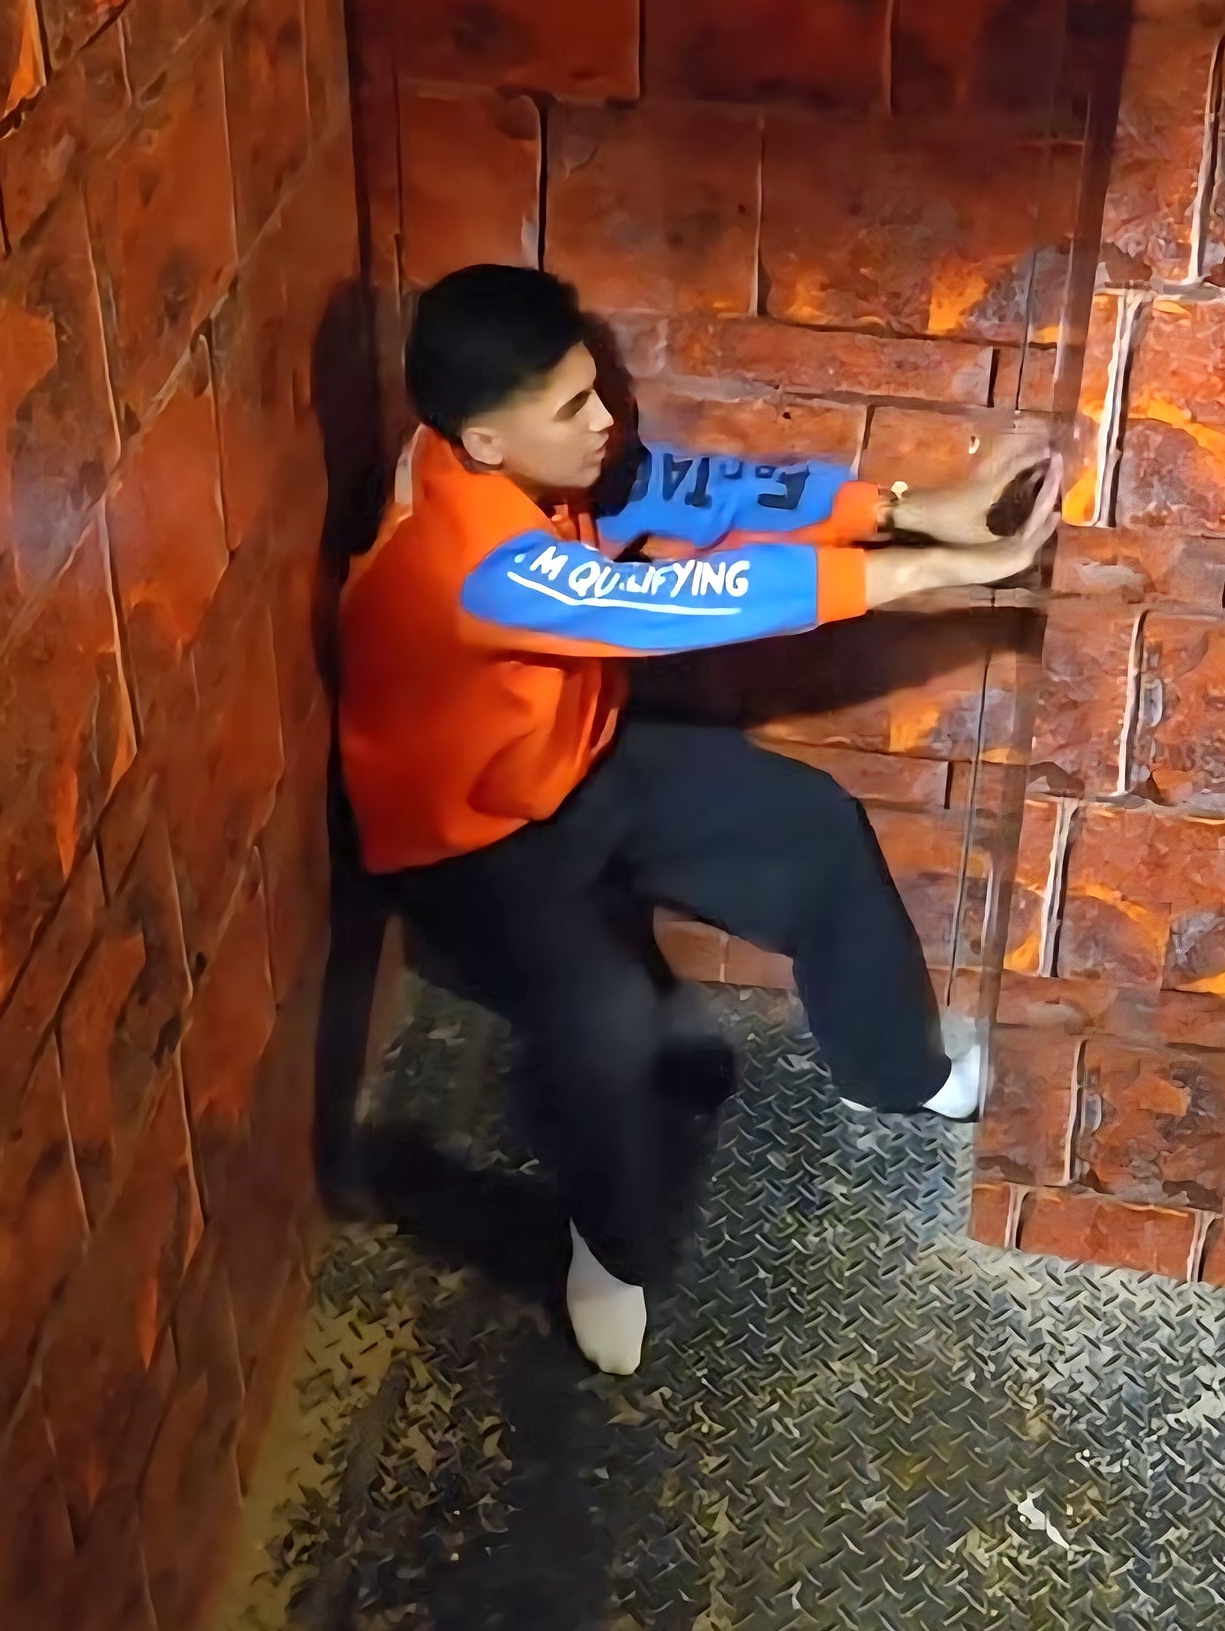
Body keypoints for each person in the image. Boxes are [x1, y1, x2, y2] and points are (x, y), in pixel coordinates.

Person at [338, 267, 1061, 1377]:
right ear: (482, 444)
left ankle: (895, 1071)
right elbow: (685, 604)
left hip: (578, 759)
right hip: (474, 847)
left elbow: (692, 489)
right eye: (575, 407)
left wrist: (908, 507)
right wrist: (943, 569)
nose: (606, 422)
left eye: (596, 390)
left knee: (806, 824)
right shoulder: (462, 564)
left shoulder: (531, 461)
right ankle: (605, 1256)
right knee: (607, 1027)